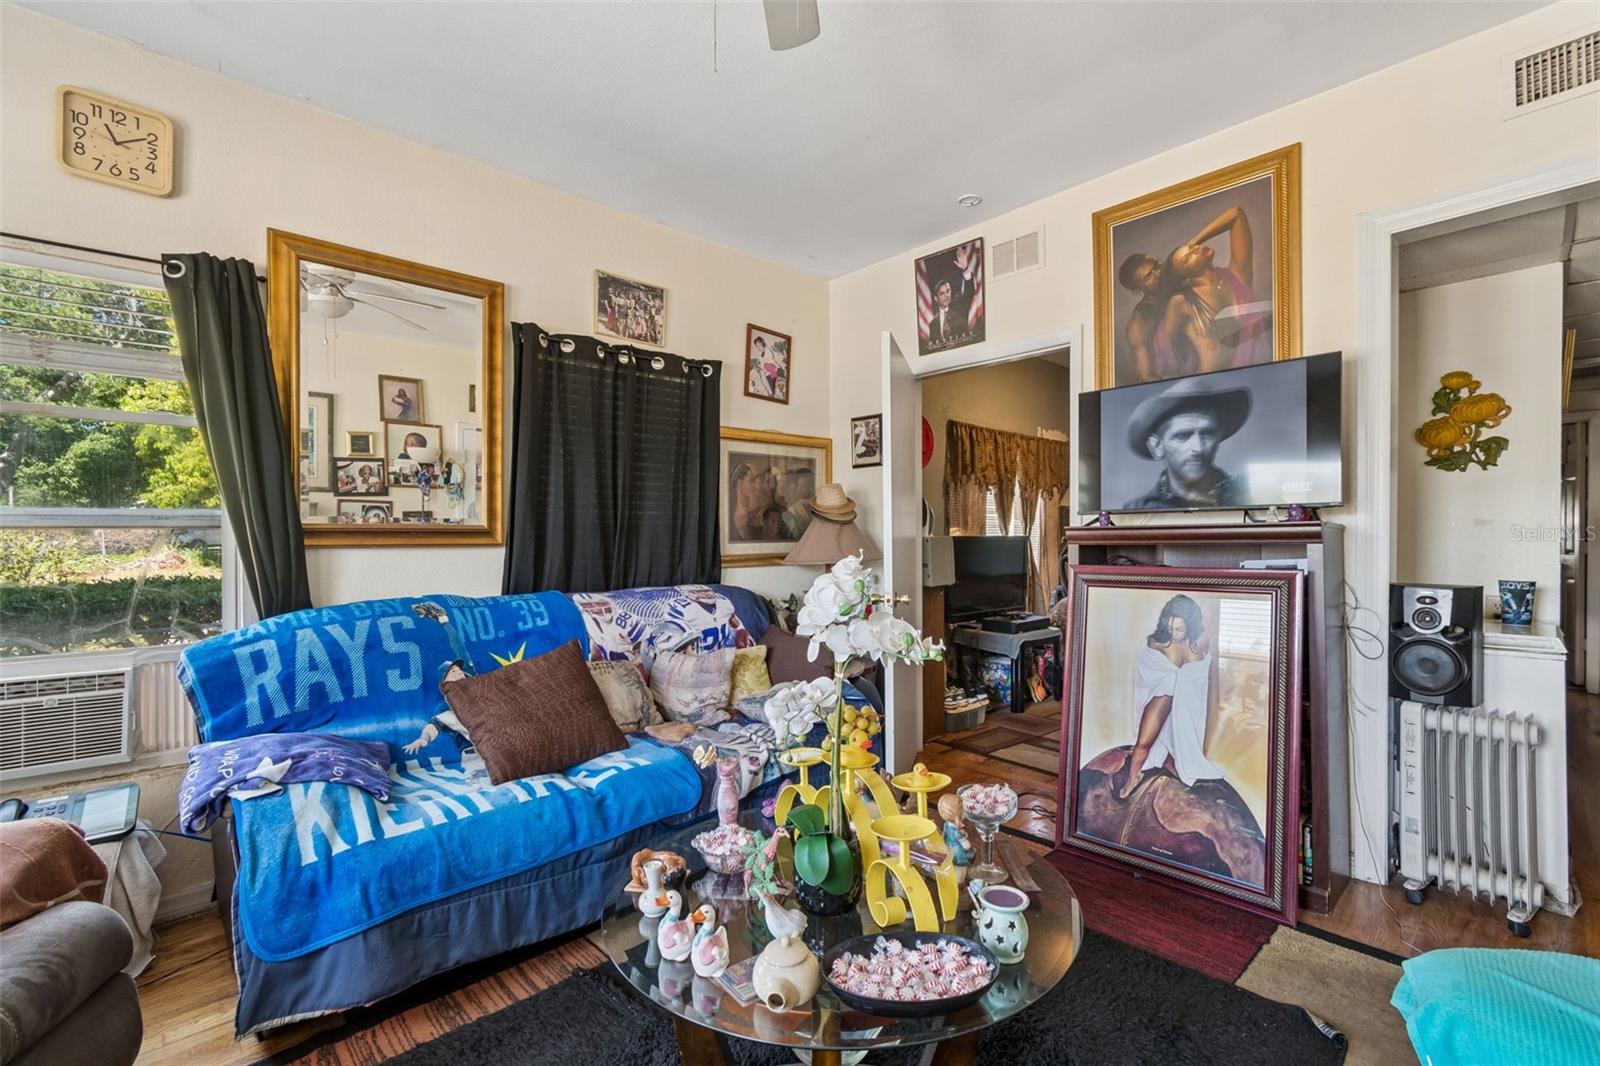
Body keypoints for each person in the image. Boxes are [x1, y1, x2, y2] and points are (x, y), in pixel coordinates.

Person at [1117, 595, 1226, 800]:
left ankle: (1171, 765)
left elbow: (1202, 678)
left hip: (1188, 701)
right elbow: (1147, 673)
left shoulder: (1202, 641)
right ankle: (1132, 779)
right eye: (1170, 628)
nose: (1174, 634)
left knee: (1179, 745)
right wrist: (1170, 680)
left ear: (1191, 625)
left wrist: (1185, 686)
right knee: (1144, 742)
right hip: (1164, 693)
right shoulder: (1157, 643)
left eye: (1179, 629)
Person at [1158, 204, 1272, 374]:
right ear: (1187, 278)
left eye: (1191, 247)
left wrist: (1195, 240)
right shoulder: (1181, 302)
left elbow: (1236, 214)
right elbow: (1163, 352)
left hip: (1252, 376)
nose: (1195, 249)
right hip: (1208, 382)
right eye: (1187, 258)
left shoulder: (1238, 275)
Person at [1120, 375, 1251, 510]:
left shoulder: (1247, 498)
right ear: (1157, 447)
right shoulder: (1138, 510)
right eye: (1182, 436)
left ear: (1218, 437)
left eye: (1207, 434)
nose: (1198, 448)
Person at [1116, 252, 1178, 382]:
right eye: (1148, 276)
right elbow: (1145, 376)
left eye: (1156, 265)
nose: (1158, 273)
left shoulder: (1175, 281)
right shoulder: (1139, 321)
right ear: (1138, 291)